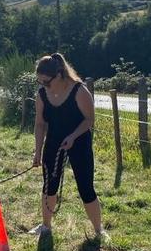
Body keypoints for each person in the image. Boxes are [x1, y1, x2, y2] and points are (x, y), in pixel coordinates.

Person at [31, 52, 107, 238]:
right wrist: (37, 152)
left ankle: (99, 230)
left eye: (46, 82)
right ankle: (46, 226)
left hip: (79, 140)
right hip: (54, 141)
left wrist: (73, 136)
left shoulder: (79, 90)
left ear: (59, 75)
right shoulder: (42, 94)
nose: (43, 86)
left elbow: (89, 120)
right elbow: (40, 124)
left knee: (85, 187)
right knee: (49, 185)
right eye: (39, 82)